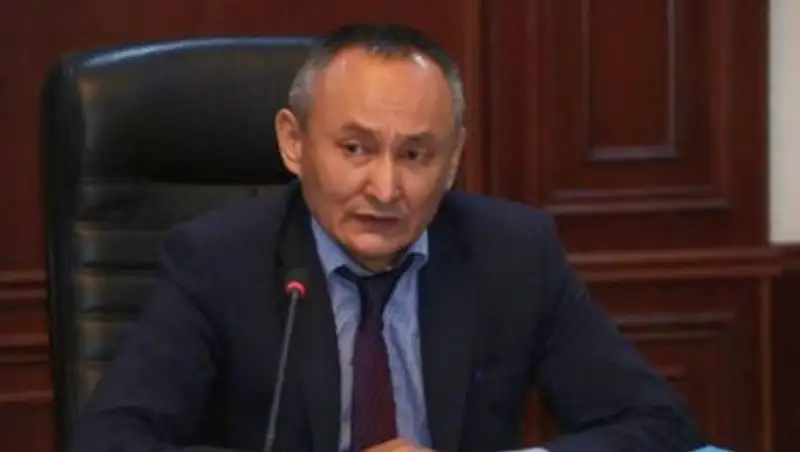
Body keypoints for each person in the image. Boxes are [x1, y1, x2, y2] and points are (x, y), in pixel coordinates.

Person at [70, 23, 705, 452]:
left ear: (453, 160)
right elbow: (111, 442)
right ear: (293, 143)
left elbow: (657, 424)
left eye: (416, 154)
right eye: (355, 148)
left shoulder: (512, 253)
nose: (385, 187)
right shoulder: (216, 260)